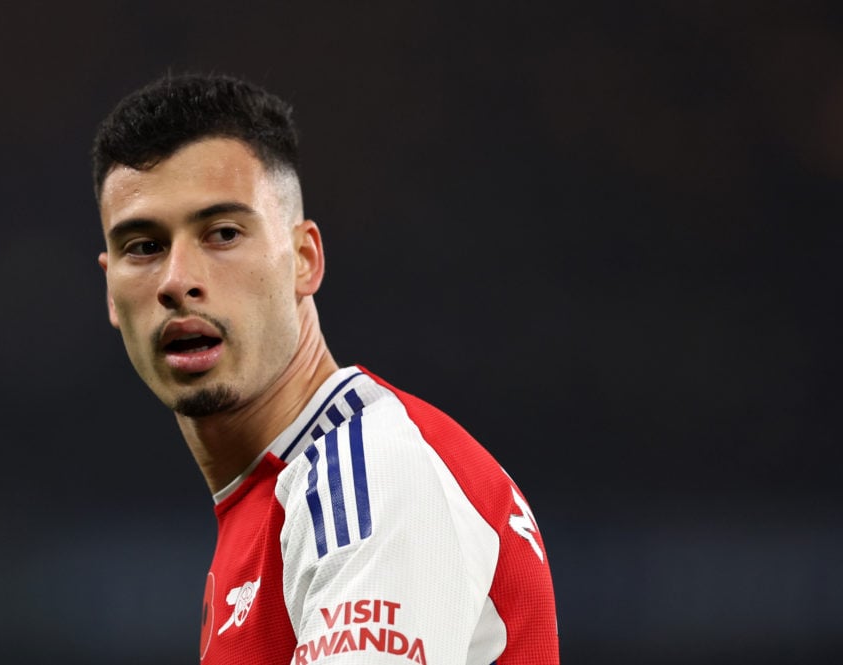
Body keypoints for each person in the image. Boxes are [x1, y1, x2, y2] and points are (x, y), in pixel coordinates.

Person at [91, 73, 559, 665]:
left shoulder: (366, 472)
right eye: (144, 247)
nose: (178, 280)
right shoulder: (279, 494)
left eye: (223, 233)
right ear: (110, 290)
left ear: (304, 261)